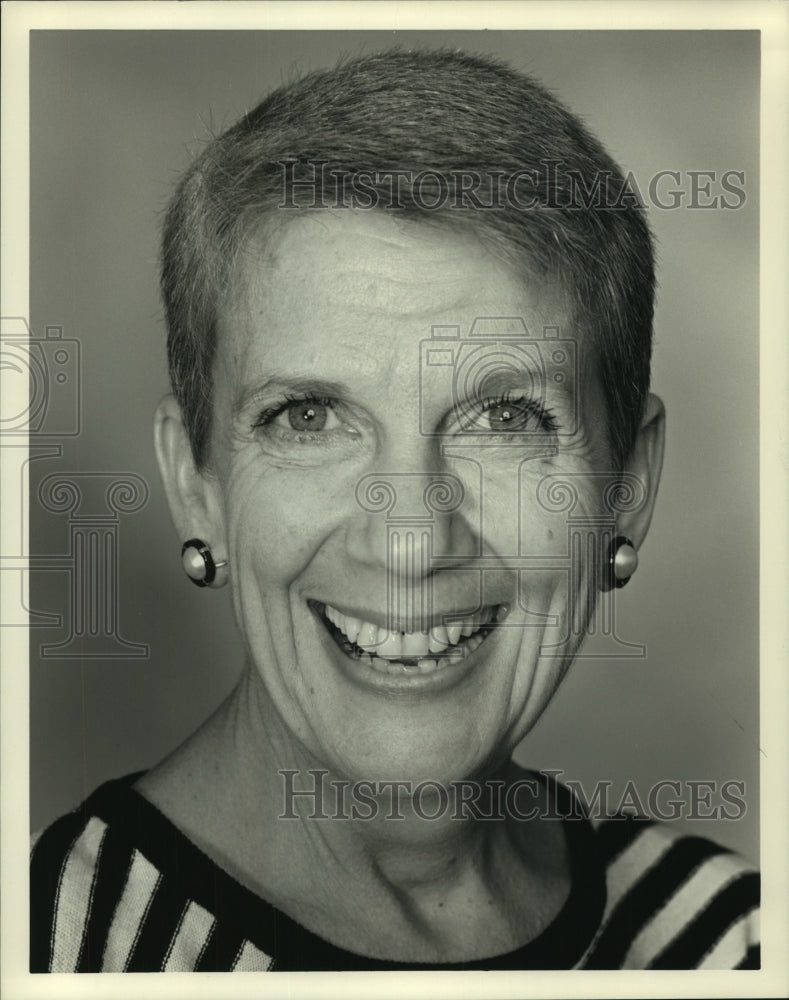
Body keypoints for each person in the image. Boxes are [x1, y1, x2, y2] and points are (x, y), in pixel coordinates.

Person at [29, 48, 759, 972]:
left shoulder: (732, 941)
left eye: (503, 418)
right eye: (308, 417)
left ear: (630, 485)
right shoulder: (55, 946)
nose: (412, 539)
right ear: (195, 482)